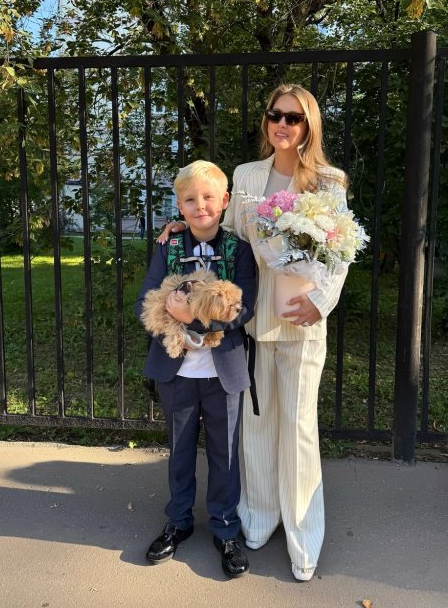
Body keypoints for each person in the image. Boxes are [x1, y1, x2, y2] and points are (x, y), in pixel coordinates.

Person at [158, 84, 349, 581]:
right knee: (258, 430)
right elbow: (228, 236)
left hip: (303, 319)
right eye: (275, 115)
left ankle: (304, 534)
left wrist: (321, 301)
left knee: (299, 429)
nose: (282, 124)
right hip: (255, 321)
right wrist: (180, 227)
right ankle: (260, 517)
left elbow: (340, 251)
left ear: (308, 125)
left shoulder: (329, 182)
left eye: (294, 117)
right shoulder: (246, 175)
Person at [135, 160, 257, 579]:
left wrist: (196, 321)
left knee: (225, 454)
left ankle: (225, 528)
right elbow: (144, 301)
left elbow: (245, 308)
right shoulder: (167, 246)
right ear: (180, 206)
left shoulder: (240, 250)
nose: (200, 205)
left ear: (224, 201)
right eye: (190, 199)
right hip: (177, 372)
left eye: (208, 197)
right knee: (180, 450)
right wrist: (169, 315)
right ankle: (179, 520)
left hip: (224, 371)